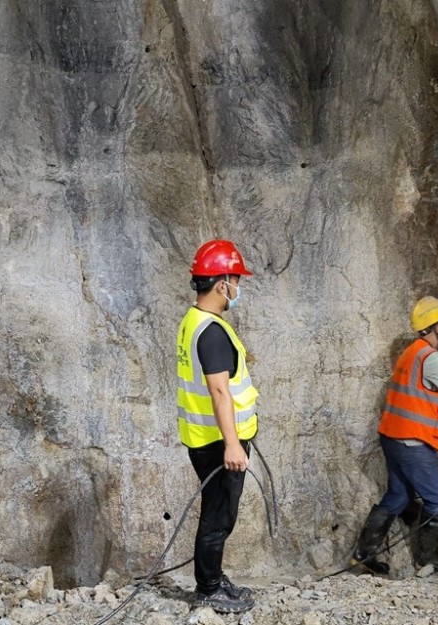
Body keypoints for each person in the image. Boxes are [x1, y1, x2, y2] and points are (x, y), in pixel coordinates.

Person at [350, 296, 438, 576]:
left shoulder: (412, 353)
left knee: (398, 496)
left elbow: (418, 400)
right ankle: (429, 560)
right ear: (436, 329)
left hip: (393, 437)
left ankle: (362, 554)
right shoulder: (432, 358)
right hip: (411, 443)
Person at [176, 239, 258, 614]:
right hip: (217, 441)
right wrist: (232, 444)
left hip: (204, 437)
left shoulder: (194, 321)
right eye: (236, 280)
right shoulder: (210, 331)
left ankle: (213, 576)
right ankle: (208, 588)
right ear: (222, 283)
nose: (239, 288)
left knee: (218, 510)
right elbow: (220, 392)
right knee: (218, 514)